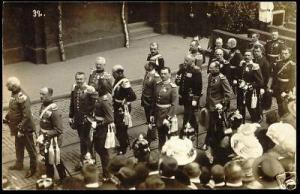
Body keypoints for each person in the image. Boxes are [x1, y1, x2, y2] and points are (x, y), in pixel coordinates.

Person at [4, 77, 37, 178]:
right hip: (17, 128)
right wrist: (7, 117)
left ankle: (33, 168)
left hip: (24, 129)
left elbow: (26, 115)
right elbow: (14, 109)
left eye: (8, 85)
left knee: (31, 149)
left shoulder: (23, 96)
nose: (6, 87)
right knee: (18, 147)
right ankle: (19, 164)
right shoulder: (14, 94)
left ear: (13, 86)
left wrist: (20, 128)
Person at [203, 61, 233, 159]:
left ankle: (212, 144)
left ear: (217, 68)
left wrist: (222, 103)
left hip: (218, 108)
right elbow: (209, 91)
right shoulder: (211, 76)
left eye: (212, 68)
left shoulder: (222, 78)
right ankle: (213, 143)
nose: (209, 69)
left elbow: (229, 93)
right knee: (212, 125)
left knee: (218, 126)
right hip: (211, 106)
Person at [69, 72, 98, 170]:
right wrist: (70, 116)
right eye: (77, 79)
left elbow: (96, 104)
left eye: (81, 79)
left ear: (85, 79)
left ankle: (89, 159)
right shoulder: (75, 88)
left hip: (86, 120)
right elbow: (72, 103)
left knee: (85, 140)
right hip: (78, 119)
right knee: (83, 139)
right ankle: (87, 158)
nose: (79, 81)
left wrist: (92, 117)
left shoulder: (89, 90)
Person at [38, 87, 66, 183]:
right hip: (45, 137)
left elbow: (59, 130)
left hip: (52, 139)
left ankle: (63, 178)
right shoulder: (43, 106)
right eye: (40, 94)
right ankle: (50, 176)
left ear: (50, 95)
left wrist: (44, 135)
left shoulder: (54, 110)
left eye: (43, 95)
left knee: (55, 158)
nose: (41, 96)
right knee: (47, 158)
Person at [112, 65, 137, 155]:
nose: (113, 75)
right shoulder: (118, 80)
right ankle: (125, 143)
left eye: (114, 73)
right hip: (117, 107)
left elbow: (133, 96)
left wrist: (125, 100)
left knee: (120, 129)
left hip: (122, 109)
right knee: (121, 128)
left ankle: (123, 148)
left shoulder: (124, 82)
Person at [151, 67, 178, 150]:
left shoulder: (173, 87)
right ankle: (161, 151)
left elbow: (174, 104)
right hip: (158, 114)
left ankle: (171, 153)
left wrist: (168, 117)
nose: (162, 75)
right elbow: (154, 100)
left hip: (167, 114)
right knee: (161, 136)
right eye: (161, 73)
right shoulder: (157, 85)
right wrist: (152, 114)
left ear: (169, 74)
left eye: (165, 73)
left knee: (170, 136)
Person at [175, 54, 202, 136]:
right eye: (184, 60)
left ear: (192, 62)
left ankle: (184, 130)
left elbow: (198, 86)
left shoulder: (196, 71)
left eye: (187, 61)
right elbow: (180, 81)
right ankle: (195, 127)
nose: (184, 62)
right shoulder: (184, 68)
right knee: (190, 112)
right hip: (184, 95)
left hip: (191, 97)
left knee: (187, 113)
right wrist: (177, 80)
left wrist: (195, 99)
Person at [235, 50, 264, 123]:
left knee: (251, 107)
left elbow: (260, 82)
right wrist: (236, 80)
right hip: (241, 89)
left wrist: (249, 85)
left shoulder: (255, 66)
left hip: (250, 90)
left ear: (252, 56)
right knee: (240, 106)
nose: (247, 57)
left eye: (248, 55)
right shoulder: (242, 63)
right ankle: (241, 121)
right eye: (245, 55)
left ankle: (255, 121)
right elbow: (239, 75)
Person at [92, 90, 114, 180]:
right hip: (98, 128)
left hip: (102, 129)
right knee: (99, 149)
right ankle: (106, 172)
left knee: (103, 152)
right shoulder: (99, 98)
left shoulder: (104, 100)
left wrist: (98, 124)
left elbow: (110, 118)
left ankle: (107, 174)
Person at [270, 48, 295, 117]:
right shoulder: (278, 62)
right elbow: (275, 76)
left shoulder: (292, 65)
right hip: (278, 86)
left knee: (286, 104)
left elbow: (293, 80)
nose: (284, 55)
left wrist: (287, 90)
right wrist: (272, 87)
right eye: (282, 53)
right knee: (279, 102)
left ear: (290, 54)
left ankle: (286, 119)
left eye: (286, 53)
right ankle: (281, 116)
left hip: (286, 86)